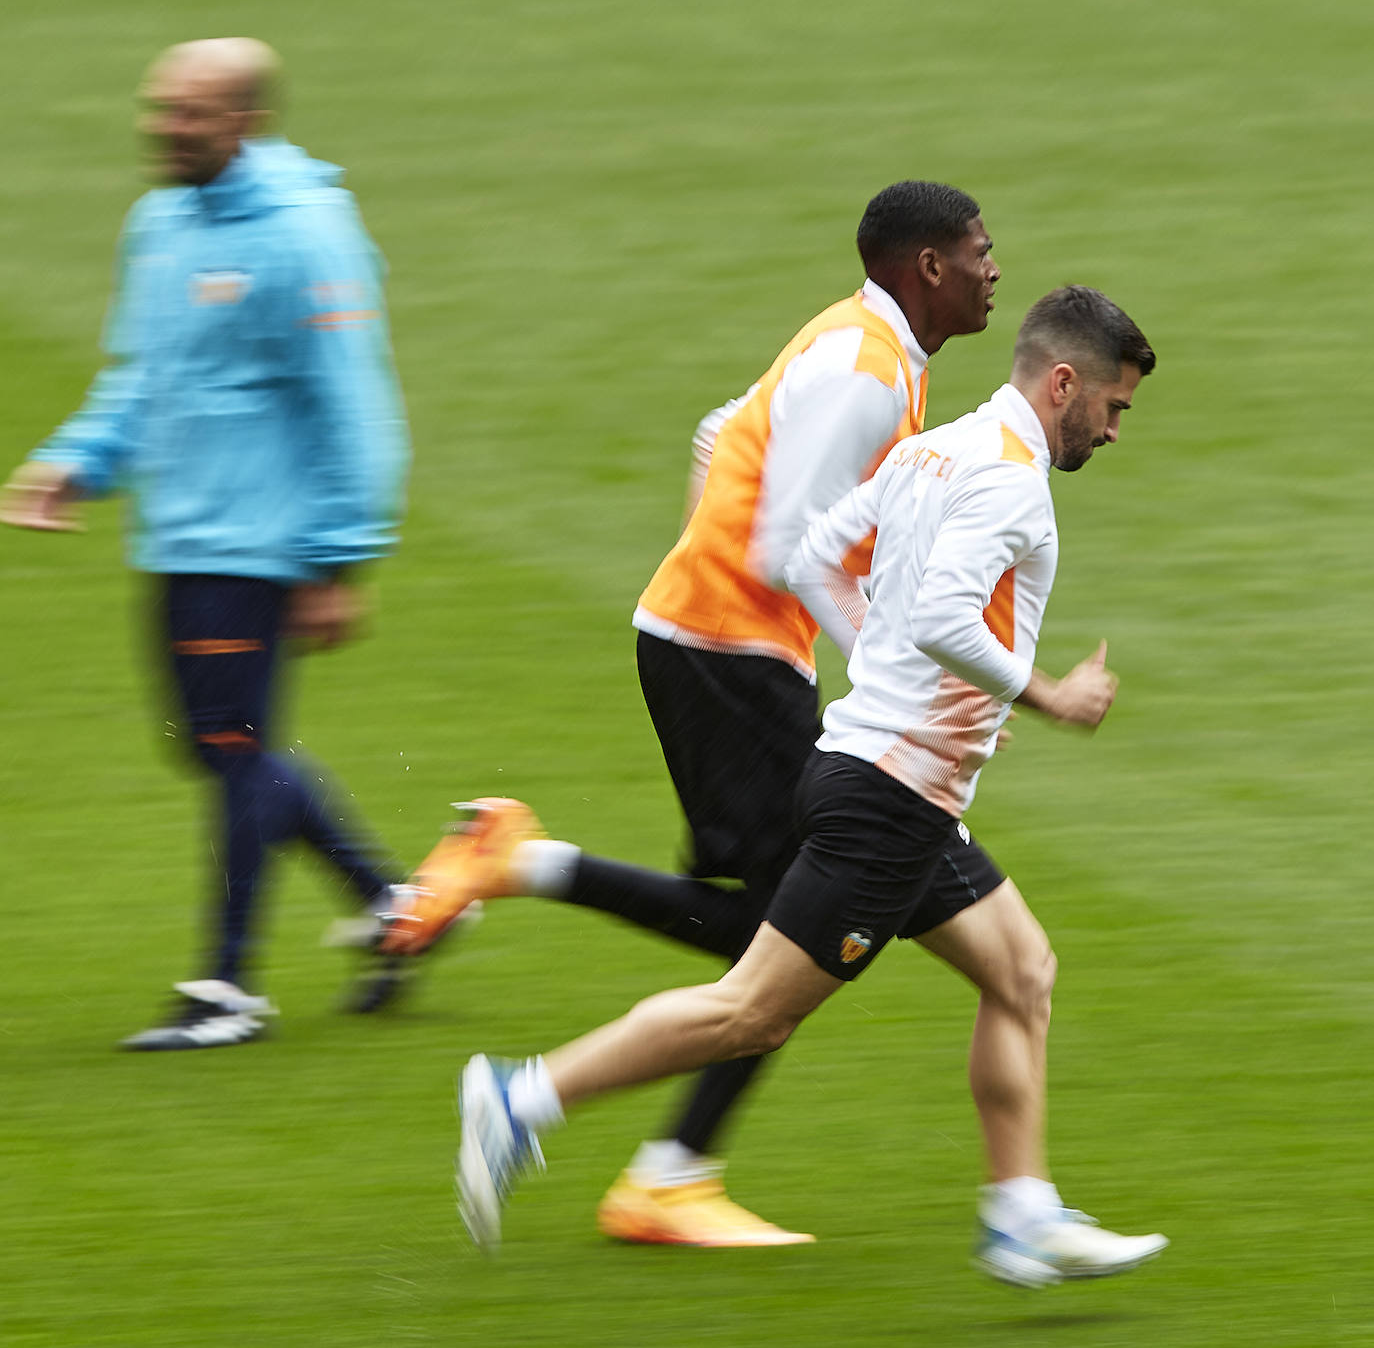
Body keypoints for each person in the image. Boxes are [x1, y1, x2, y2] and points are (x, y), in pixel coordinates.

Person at [456, 285, 1170, 1287]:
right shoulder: (1010, 483)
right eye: (1115, 405)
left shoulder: (937, 446)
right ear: (1065, 383)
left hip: (887, 777)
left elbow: (819, 552)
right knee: (752, 1009)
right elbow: (944, 621)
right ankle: (521, 1097)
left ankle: (1021, 1213)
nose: (1114, 427)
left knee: (1022, 973)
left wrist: (894, 677)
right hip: (888, 799)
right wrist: (1047, 695)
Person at [381, 181, 1009, 1247]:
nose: (998, 268)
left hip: (726, 651)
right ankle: (645, 1156)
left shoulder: (871, 346)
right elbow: (781, 548)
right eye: (982, 251)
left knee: (781, 939)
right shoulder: (866, 371)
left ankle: (655, 1142)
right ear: (930, 268)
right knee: (790, 939)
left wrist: (703, 569)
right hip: (728, 662)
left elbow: (721, 430)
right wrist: (887, 666)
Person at [0, 38, 411, 1047]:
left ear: (244, 121)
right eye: (159, 109)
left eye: (187, 114)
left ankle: (226, 991)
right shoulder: (162, 222)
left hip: (258, 545)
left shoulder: (303, 237)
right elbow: (144, 374)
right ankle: (398, 907)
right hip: (179, 537)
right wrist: (78, 461)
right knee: (218, 749)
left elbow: (354, 403)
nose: (163, 128)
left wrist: (338, 557)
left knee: (232, 750)